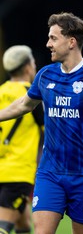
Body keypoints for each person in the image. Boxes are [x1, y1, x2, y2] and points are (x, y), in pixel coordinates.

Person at [0, 12, 83, 234]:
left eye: (53, 38)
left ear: (71, 42)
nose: (48, 44)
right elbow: (24, 105)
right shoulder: (46, 75)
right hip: (50, 172)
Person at [0, 45, 43, 234]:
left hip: (2, 169)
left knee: (24, 223)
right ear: (27, 68)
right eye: (33, 63)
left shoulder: (0, 91)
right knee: (3, 225)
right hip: (17, 172)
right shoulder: (32, 97)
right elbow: (51, 130)